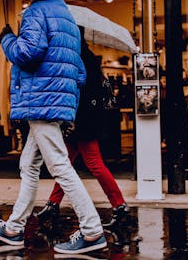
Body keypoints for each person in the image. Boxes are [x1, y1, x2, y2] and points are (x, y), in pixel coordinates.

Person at [0, 0, 106, 255]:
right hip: (55, 101)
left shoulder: (35, 13)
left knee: (59, 166)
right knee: (29, 165)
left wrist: (6, 39)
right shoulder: (66, 16)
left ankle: (92, 231)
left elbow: (26, 54)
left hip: (40, 101)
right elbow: (79, 71)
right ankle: (14, 229)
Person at [36, 28, 130, 230]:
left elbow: (79, 92)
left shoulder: (78, 59)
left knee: (93, 163)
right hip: (82, 120)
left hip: (82, 121)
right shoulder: (86, 57)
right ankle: (52, 204)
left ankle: (120, 206)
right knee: (65, 163)